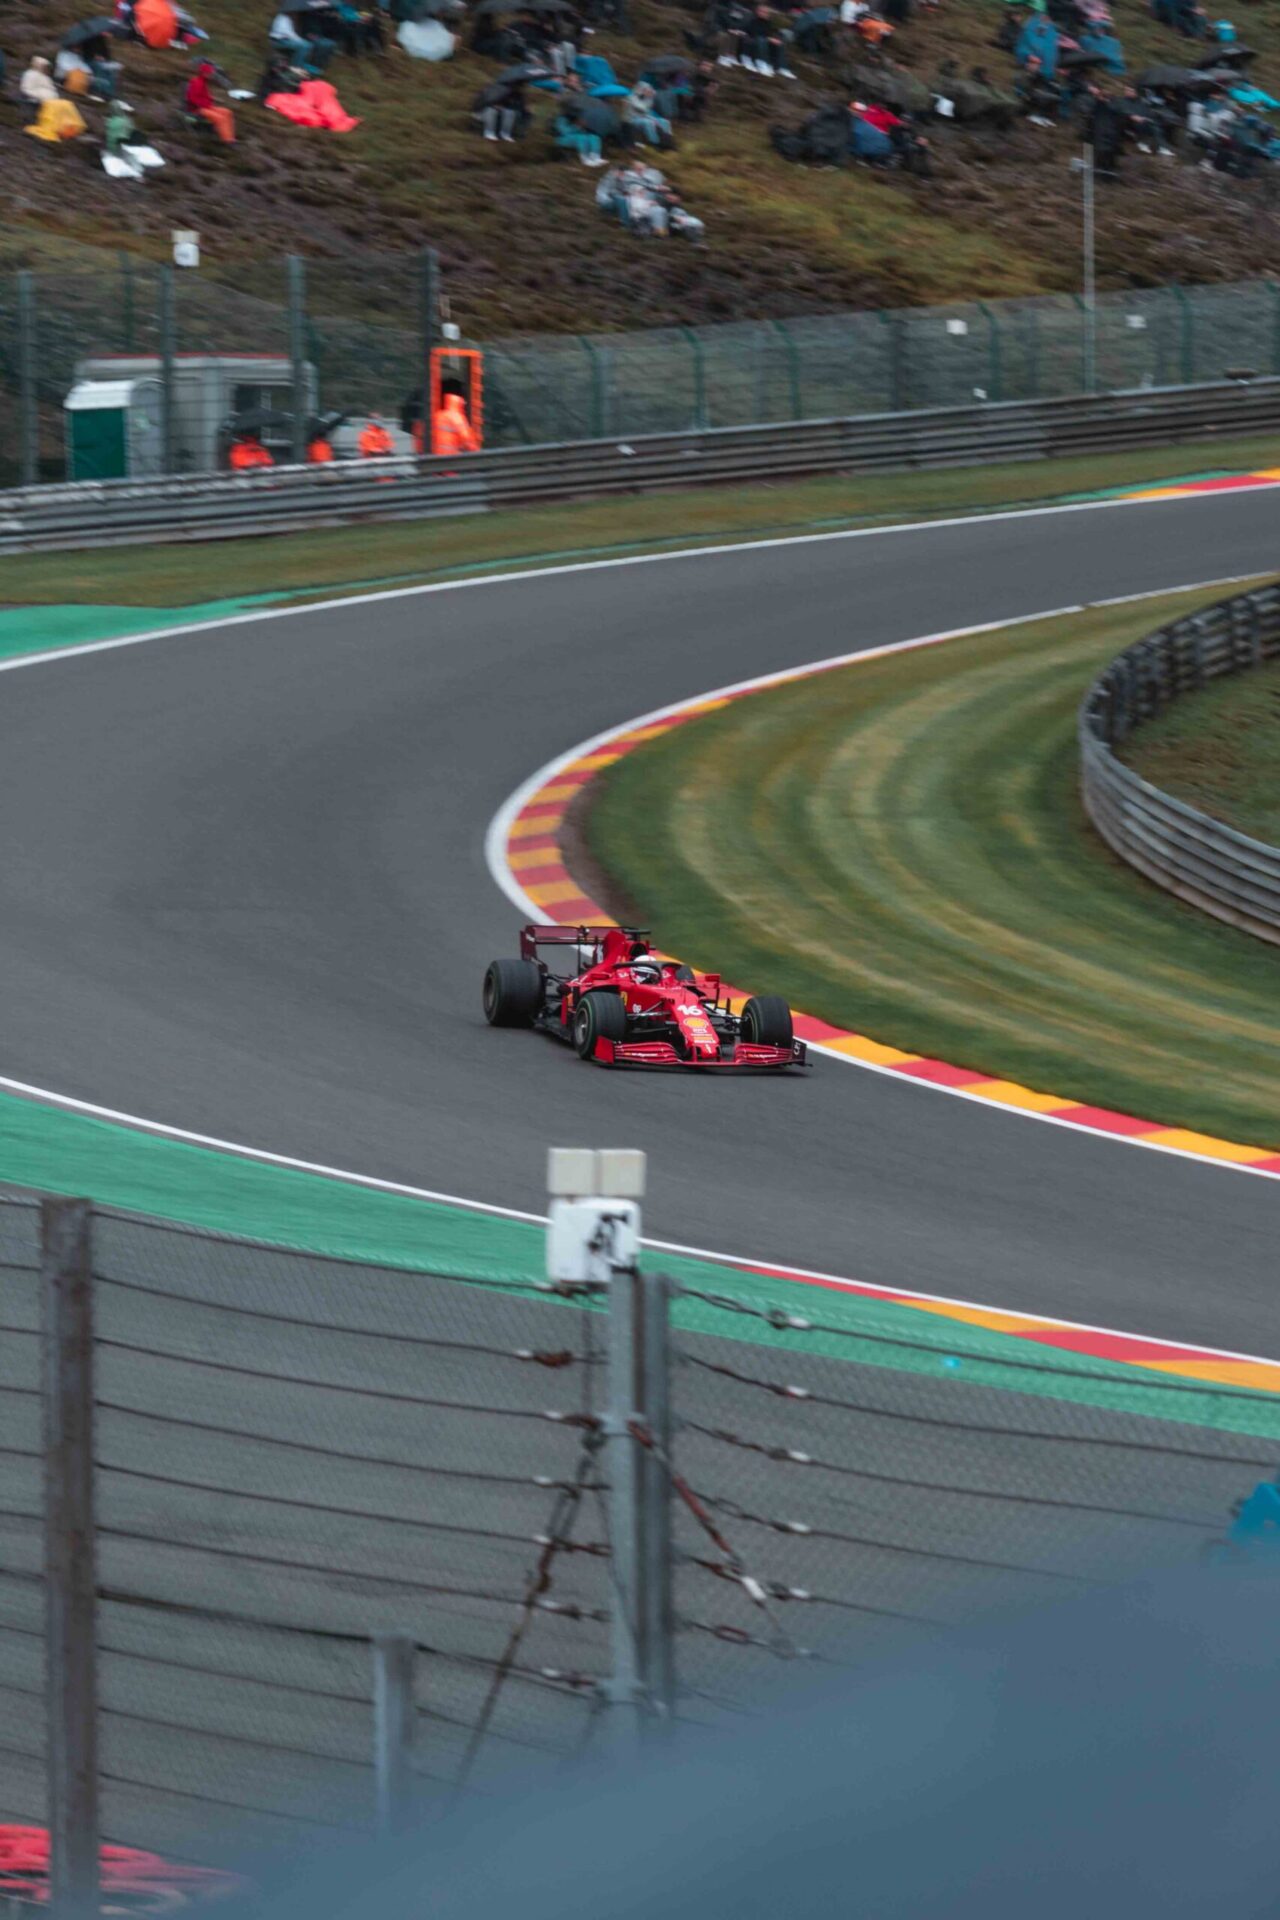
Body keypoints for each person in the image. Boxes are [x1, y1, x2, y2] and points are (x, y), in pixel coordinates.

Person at [185, 59, 235, 139]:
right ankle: (228, 141)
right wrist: (203, 104)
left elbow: (204, 96)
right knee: (220, 118)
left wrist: (211, 99)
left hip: (207, 107)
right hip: (197, 109)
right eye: (209, 73)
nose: (211, 75)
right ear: (203, 73)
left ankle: (230, 136)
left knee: (228, 112)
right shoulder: (196, 82)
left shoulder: (203, 82)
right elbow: (192, 98)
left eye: (211, 73)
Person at [430, 382, 481, 454]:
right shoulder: (458, 418)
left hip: (434, 460)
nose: (465, 402)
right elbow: (469, 444)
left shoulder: (436, 416)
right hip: (452, 461)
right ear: (460, 398)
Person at [622, 80, 673, 147]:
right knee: (648, 123)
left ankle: (667, 139)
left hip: (643, 117)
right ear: (640, 89)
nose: (647, 91)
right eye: (645, 90)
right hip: (632, 119)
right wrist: (649, 97)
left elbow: (647, 112)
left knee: (665, 121)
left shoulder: (647, 98)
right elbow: (642, 108)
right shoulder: (631, 97)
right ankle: (654, 142)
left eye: (648, 89)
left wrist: (650, 97)